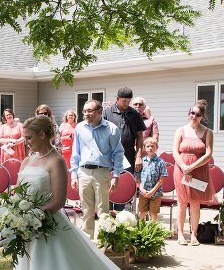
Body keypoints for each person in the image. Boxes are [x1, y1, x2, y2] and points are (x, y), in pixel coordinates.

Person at [5, 115, 224, 270]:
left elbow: (58, 200)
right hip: (28, 227)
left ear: (43, 135)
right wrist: (15, 213)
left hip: (47, 224)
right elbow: (19, 192)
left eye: (29, 137)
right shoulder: (27, 161)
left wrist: (33, 215)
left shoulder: (56, 161)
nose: (26, 141)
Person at [70, 99, 125, 239]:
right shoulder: (79, 128)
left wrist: (116, 175)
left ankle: (103, 241)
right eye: (84, 111)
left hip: (102, 172)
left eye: (89, 111)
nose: (85, 114)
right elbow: (75, 152)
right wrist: (73, 175)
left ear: (99, 111)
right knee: (86, 210)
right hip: (83, 172)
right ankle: (87, 241)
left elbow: (118, 153)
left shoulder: (111, 129)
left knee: (103, 210)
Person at [173, 101, 215, 245]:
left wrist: (192, 167)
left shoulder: (208, 132)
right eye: (192, 113)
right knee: (182, 202)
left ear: (202, 117)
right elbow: (175, 152)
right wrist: (185, 167)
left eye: (198, 114)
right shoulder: (181, 130)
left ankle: (194, 235)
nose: (194, 116)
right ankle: (180, 233)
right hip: (181, 169)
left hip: (199, 170)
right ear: (188, 114)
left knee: (195, 203)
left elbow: (208, 154)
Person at [102, 87, 146, 174]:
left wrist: (138, 156)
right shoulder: (107, 113)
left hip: (129, 157)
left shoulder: (135, 114)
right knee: (110, 181)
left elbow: (140, 137)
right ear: (117, 99)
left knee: (127, 181)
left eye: (129, 101)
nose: (126, 103)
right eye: (124, 101)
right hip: (110, 158)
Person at [138, 137, 167, 222]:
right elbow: (137, 177)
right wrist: (142, 189)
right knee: (142, 212)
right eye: (148, 146)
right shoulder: (141, 161)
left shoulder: (161, 162)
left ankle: (153, 229)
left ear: (156, 147)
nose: (150, 148)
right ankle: (141, 229)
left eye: (152, 146)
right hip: (143, 192)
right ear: (144, 148)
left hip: (156, 193)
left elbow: (161, 179)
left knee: (153, 214)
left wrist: (152, 191)